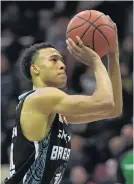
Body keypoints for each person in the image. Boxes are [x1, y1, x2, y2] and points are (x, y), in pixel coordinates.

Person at [5, 23, 122, 184]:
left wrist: (113, 54)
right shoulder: (41, 98)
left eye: (61, 60)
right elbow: (105, 101)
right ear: (35, 69)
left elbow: (113, 109)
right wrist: (96, 60)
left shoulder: (54, 113)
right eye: (53, 60)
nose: (62, 65)